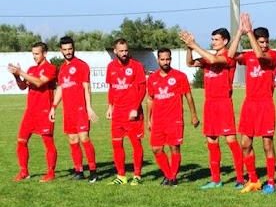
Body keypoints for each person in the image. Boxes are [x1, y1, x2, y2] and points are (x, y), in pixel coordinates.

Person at [180, 28, 245, 189]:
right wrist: (189, 48)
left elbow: (214, 60)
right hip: (209, 104)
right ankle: (216, 179)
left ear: (225, 41)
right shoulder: (208, 57)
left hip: (223, 103)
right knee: (211, 141)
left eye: (216, 39)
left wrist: (194, 44)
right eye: (212, 39)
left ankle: (240, 178)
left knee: (231, 141)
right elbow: (190, 63)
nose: (213, 42)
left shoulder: (228, 57)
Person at [228, 13, 276, 194]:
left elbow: (260, 55)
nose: (264, 45)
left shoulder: (272, 55)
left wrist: (249, 32)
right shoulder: (248, 56)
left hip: (265, 104)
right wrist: (240, 33)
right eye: (261, 42)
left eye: (266, 41)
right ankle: (254, 180)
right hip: (249, 104)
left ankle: (271, 182)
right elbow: (230, 55)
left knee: (267, 144)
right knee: (245, 144)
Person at [49, 36, 99, 182]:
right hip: (68, 111)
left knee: (84, 138)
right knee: (73, 140)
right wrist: (53, 107)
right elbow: (60, 88)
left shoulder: (82, 65)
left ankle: (93, 171)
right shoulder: (62, 68)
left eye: (70, 49)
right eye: (65, 49)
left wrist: (89, 108)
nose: (68, 52)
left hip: (80, 110)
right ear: (61, 50)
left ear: (74, 48)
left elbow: (87, 87)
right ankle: (79, 171)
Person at [146, 48, 199, 187]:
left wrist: (193, 115)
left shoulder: (179, 76)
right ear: (157, 60)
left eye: (167, 59)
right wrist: (148, 119)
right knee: (156, 149)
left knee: (174, 148)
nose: (165, 62)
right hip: (158, 120)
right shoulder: (152, 78)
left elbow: (188, 95)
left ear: (171, 59)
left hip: (174, 119)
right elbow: (150, 99)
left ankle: (172, 177)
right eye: (162, 59)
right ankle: (169, 176)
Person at [9, 42, 58, 182]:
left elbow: (39, 82)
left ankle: (51, 173)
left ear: (44, 53)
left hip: (44, 112)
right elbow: (23, 86)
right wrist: (17, 76)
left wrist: (21, 72)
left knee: (48, 143)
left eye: (37, 54)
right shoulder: (31, 69)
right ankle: (24, 172)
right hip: (30, 112)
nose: (34, 56)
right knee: (21, 141)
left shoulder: (51, 68)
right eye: (33, 54)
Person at [106, 38, 147, 185]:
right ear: (115, 51)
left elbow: (143, 88)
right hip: (118, 113)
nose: (124, 53)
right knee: (117, 144)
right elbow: (112, 88)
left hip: (132, 113)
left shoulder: (136, 66)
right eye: (121, 51)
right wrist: (110, 107)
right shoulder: (111, 66)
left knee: (135, 144)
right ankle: (121, 176)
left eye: (126, 50)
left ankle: (137, 175)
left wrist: (135, 108)